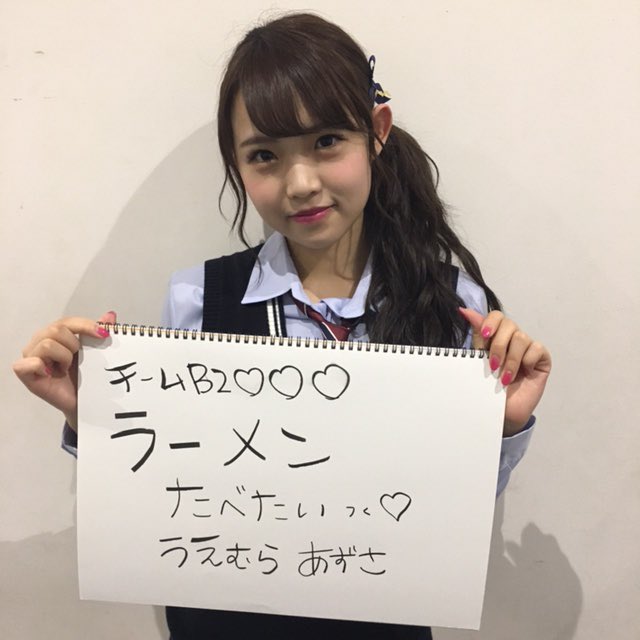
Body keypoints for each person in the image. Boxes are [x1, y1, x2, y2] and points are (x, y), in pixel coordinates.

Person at [13, 12, 552, 640]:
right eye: (265, 155)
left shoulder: (451, 302)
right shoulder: (198, 299)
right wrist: (95, 414)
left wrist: (503, 424)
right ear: (237, 165)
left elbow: (446, 517)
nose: (300, 184)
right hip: (225, 622)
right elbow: (169, 491)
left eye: (327, 141)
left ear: (377, 132)